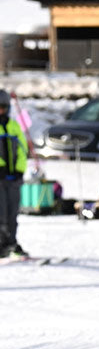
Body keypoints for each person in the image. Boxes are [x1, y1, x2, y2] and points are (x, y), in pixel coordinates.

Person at [0, 89, 31, 258]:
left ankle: (11, 242)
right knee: (1, 213)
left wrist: (20, 169)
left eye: (3, 108)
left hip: (13, 179)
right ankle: (1, 244)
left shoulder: (13, 126)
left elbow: (22, 149)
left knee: (13, 213)